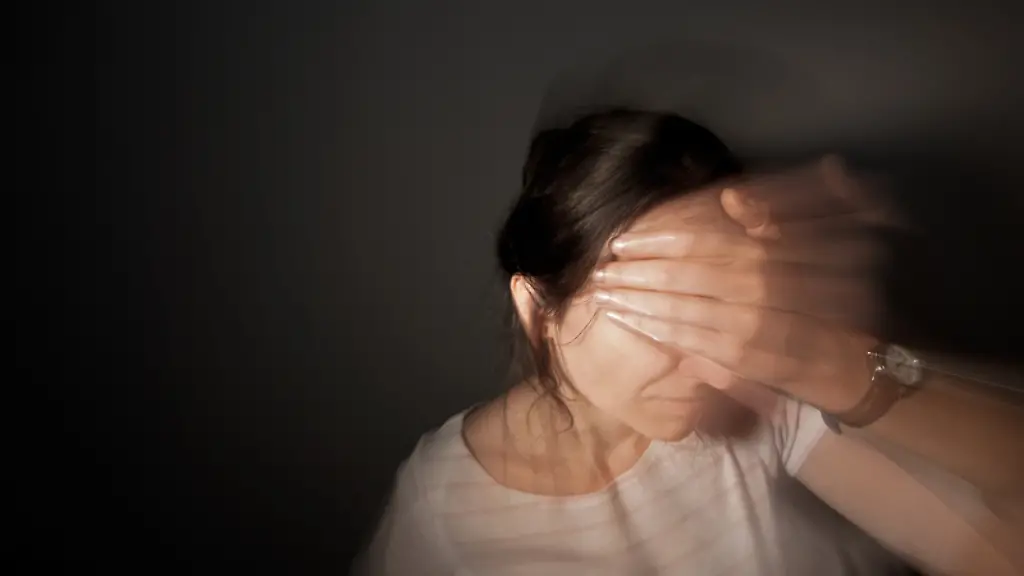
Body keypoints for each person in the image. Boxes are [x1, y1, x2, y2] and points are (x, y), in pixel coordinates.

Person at [356, 109, 1023, 575]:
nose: (717, 363)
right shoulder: (445, 512)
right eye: (665, 306)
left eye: (721, 301)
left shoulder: (758, 402)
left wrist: (830, 361)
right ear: (539, 310)